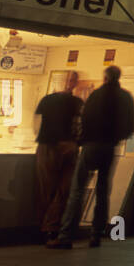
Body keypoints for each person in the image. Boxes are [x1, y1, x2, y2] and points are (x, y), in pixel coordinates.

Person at [47, 65, 134, 249]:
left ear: (105, 78)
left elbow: (84, 119)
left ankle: (65, 236)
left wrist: (80, 142)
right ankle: (96, 235)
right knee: (103, 191)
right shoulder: (126, 97)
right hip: (110, 147)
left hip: (91, 145)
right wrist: (117, 137)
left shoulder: (96, 96)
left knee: (77, 190)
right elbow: (132, 124)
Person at [33, 71, 82, 242]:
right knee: (63, 190)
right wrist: (74, 143)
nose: (70, 82)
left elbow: (36, 124)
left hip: (48, 146)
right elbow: (80, 125)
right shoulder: (77, 103)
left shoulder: (47, 100)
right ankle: (51, 227)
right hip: (68, 148)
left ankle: (44, 227)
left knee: (47, 188)